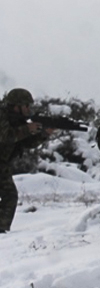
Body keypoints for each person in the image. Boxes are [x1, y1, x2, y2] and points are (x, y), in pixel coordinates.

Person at [1, 88, 55, 233]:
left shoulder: (18, 121)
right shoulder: (2, 117)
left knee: (10, 196)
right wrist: (27, 129)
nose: (29, 109)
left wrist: (43, 134)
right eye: (26, 106)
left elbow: (25, 143)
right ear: (16, 106)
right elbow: (6, 136)